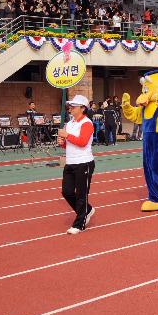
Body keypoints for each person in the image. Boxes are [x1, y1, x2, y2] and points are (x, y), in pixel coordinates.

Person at [56, 95, 95, 235]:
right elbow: (68, 144)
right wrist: (62, 142)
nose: (70, 108)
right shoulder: (70, 123)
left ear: (83, 108)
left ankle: (79, 224)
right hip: (70, 162)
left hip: (84, 162)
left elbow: (83, 142)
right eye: (70, 106)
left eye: (74, 106)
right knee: (66, 191)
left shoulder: (87, 123)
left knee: (81, 194)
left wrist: (66, 136)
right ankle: (87, 210)